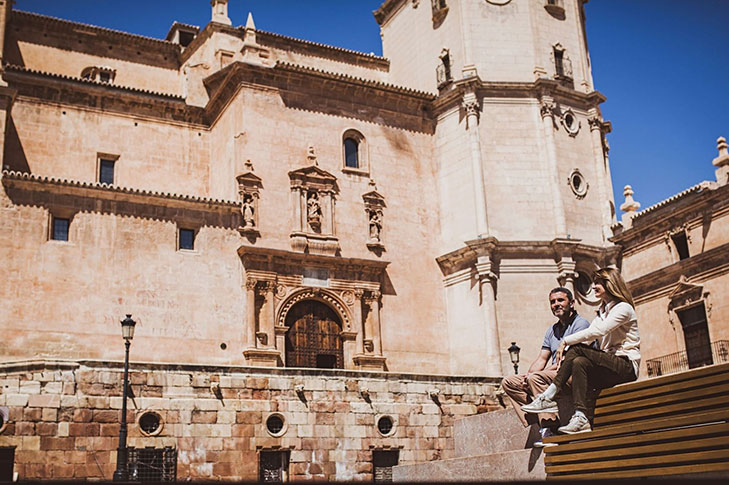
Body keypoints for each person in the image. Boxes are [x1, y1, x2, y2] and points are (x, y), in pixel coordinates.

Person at [521, 267, 640, 434]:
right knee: (579, 361)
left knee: (576, 349)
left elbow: (599, 332)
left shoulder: (623, 308)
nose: (594, 286)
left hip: (625, 365)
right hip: (609, 366)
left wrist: (566, 341)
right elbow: (590, 338)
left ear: (610, 284)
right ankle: (581, 416)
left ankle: (548, 395)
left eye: (598, 282)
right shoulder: (601, 314)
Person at [501, 287, 591, 447]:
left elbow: (566, 362)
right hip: (555, 376)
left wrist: (533, 377)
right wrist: (526, 377)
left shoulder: (581, 324)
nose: (556, 304)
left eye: (560, 300)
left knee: (536, 378)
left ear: (572, 303)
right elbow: (542, 359)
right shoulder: (552, 330)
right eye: (552, 302)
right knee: (509, 382)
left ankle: (550, 428)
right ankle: (534, 417)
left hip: (575, 375)